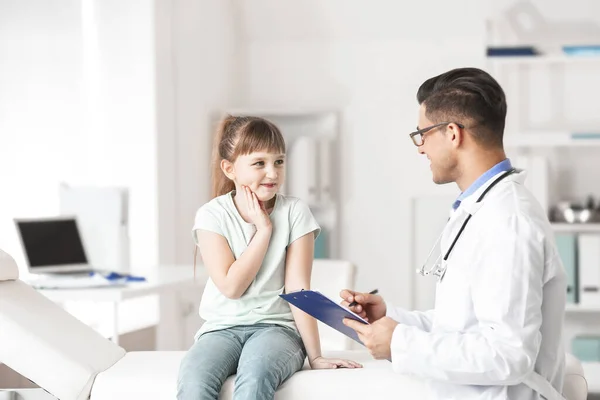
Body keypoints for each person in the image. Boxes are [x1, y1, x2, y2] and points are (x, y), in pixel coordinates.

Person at [342, 67, 567, 400]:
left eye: (422, 135)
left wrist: (401, 343)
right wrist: (392, 319)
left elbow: (509, 356)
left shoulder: (509, 221)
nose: (420, 148)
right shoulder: (480, 209)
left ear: (451, 133)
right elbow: (464, 326)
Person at [177, 115, 361, 400]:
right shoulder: (211, 215)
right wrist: (263, 230)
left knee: (255, 379)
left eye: (279, 162)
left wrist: (316, 356)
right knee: (193, 383)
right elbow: (231, 287)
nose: (273, 173)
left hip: (277, 330)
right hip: (220, 330)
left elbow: (299, 289)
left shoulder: (295, 212)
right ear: (230, 169)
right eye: (259, 163)